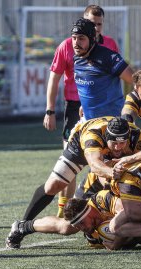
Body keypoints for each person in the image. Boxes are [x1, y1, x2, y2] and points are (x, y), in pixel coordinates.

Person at [5, 116, 141, 249]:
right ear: (106, 138)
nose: (118, 147)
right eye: (114, 143)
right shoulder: (93, 136)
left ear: (128, 138)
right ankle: (23, 226)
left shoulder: (138, 139)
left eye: (122, 143)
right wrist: (112, 173)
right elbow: (95, 164)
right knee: (55, 190)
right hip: (81, 145)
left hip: (114, 183)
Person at [5, 153, 141, 252]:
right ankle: (23, 226)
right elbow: (130, 212)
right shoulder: (127, 183)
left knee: (119, 228)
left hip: (110, 196)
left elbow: (129, 215)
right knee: (68, 227)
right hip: (92, 188)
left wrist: (117, 242)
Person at [44, 5, 120, 218]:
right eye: (91, 24)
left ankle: (109, 207)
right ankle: (64, 213)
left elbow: (118, 75)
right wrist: (50, 110)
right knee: (71, 158)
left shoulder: (110, 45)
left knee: (108, 158)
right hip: (75, 108)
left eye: (98, 24)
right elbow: (55, 76)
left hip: (104, 111)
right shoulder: (67, 46)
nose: (95, 28)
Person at [71, 18, 133, 120]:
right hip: (89, 121)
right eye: (74, 38)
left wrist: (131, 108)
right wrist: (85, 106)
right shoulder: (77, 58)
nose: (76, 43)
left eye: (81, 38)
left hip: (114, 123)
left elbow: (136, 81)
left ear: (91, 39)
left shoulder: (109, 57)